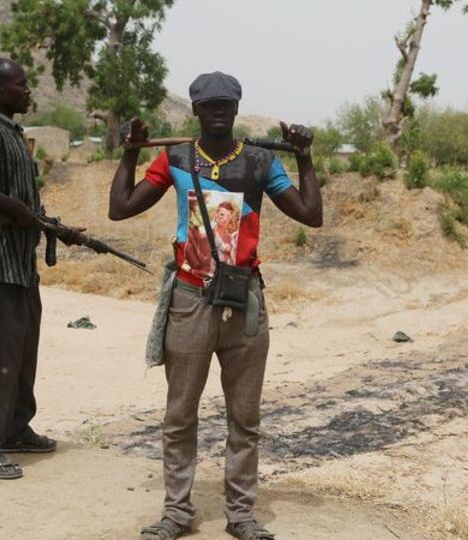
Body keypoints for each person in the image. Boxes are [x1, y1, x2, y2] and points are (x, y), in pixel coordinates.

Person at [109, 71, 322, 540]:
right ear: (197, 111)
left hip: (245, 298)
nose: (219, 111)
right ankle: (177, 513)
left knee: (244, 418)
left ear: (238, 107)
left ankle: (242, 515)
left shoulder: (262, 162)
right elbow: (120, 207)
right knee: (179, 414)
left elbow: (311, 215)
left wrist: (305, 158)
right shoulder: (176, 158)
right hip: (190, 297)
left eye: (226, 104)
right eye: (210, 105)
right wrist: (129, 152)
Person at [0, 58, 80, 480]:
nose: (28, 91)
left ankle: (15, 429)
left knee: (21, 354)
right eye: (20, 85)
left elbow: (21, 205)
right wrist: (18, 210)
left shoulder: (12, 134)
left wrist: (45, 223)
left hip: (19, 268)